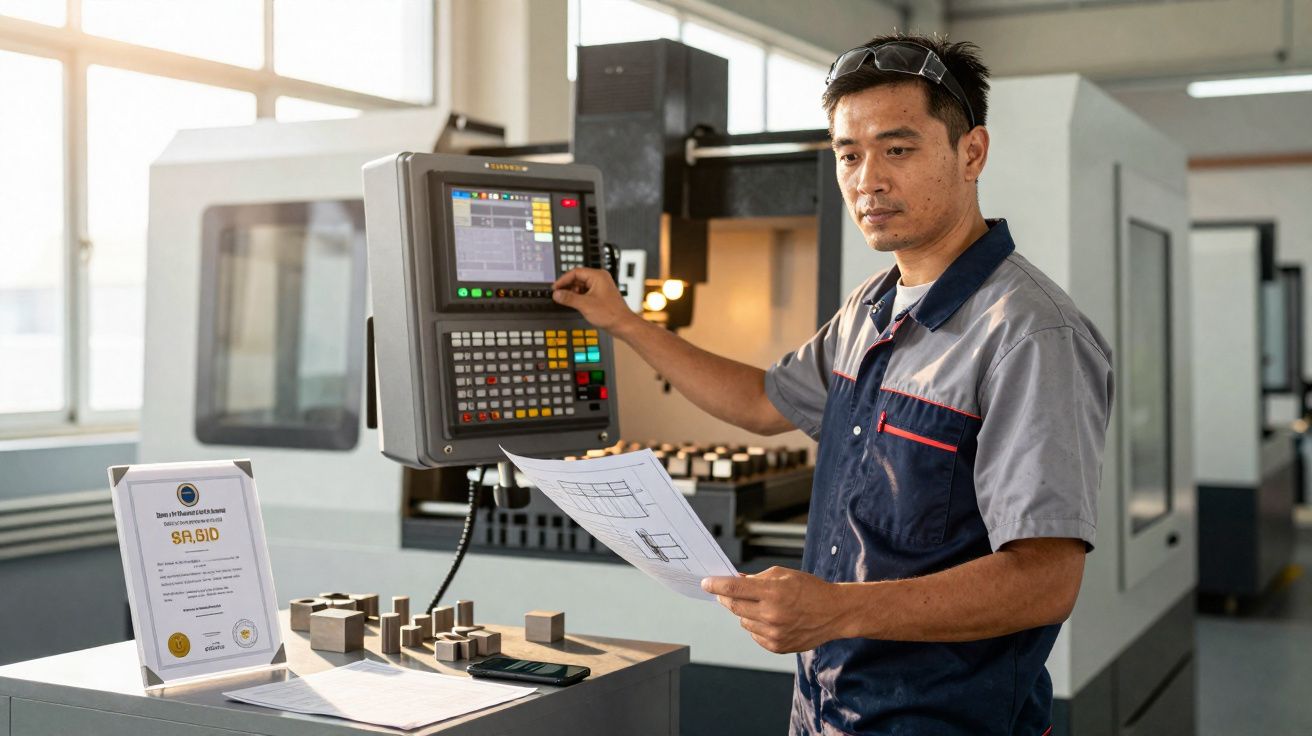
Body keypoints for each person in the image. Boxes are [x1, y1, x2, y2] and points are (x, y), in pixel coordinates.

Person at [551, 32, 1112, 736]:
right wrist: (625, 324)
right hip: (826, 713)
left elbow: (1045, 579)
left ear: (972, 152)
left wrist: (837, 609)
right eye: (849, 154)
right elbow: (761, 403)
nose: (867, 179)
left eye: (897, 149)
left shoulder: (1029, 333)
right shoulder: (870, 309)